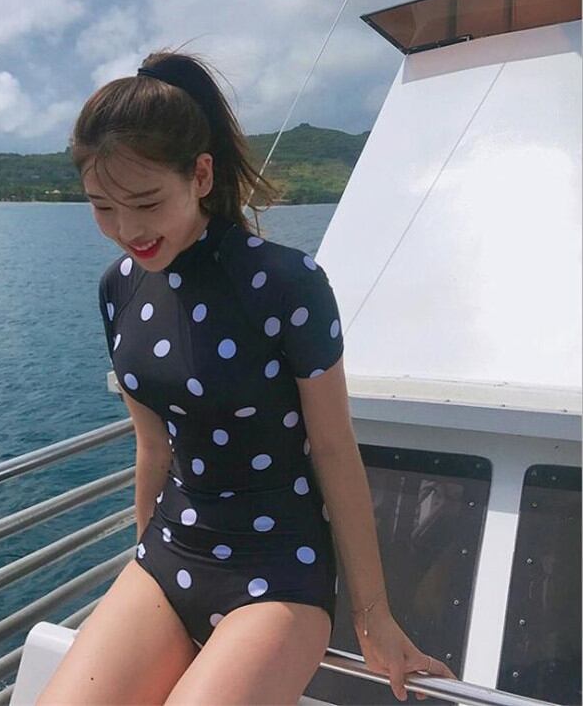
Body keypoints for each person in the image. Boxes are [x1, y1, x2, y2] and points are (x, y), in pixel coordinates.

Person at [37, 48, 457, 705]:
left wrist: (373, 616)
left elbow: (334, 448)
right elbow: (153, 447)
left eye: (146, 202)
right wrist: (142, 564)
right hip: (169, 552)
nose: (127, 230)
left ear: (200, 175)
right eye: (102, 208)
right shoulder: (119, 287)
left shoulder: (288, 284)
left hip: (278, 568)